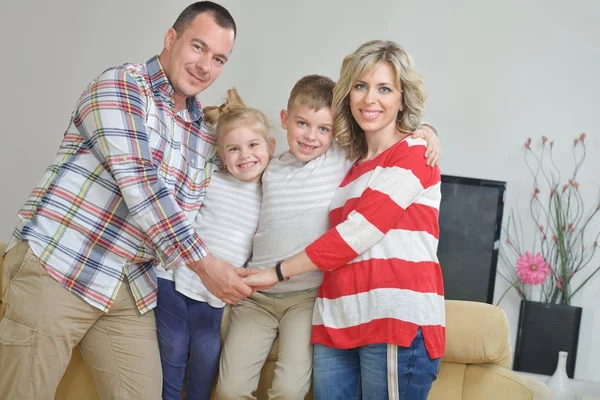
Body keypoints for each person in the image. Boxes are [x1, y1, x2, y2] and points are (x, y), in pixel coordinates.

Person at [0, 2, 248, 399]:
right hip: (59, 264)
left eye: (218, 58)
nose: (205, 65)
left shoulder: (202, 133)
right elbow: (141, 182)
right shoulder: (121, 85)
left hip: (128, 285)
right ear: (171, 38)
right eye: (198, 47)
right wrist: (206, 266)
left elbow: (238, 181)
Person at [216, 74, 440, 400]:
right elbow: (237, 154)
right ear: (284, 120)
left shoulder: (339, 159)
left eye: (323, 129)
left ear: (335, 132)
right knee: (229, 389)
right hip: (256, 297)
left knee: (289, 391)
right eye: (301, 124)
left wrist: (427, 129)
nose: (310, 136)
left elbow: (387, 132)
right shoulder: (270, 167)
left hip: (306, 297)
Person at [154, 88, 275, 400]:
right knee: (173, 346)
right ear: (220, 154)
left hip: (216, 294)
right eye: (233, 149)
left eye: (253, 145)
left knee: (207, 355)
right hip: (174, 278)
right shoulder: (211, 179)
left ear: (270, 147)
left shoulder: (272, 191)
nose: (245, 155)